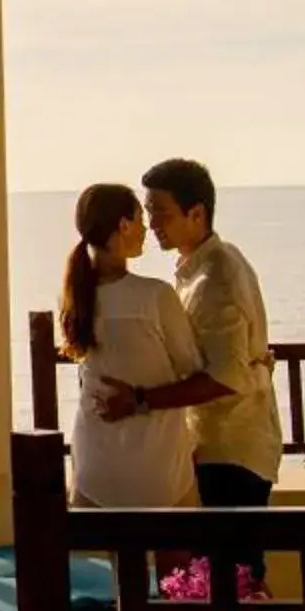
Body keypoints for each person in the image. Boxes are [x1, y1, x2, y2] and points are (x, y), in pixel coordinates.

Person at [143, 157, 283, 515]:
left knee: (233, 567)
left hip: (231, 448)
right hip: (217, 445)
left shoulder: (216, 277)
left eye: (162, 213)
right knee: (223, 567)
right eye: (148, 211)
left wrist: (142, 399)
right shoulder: (204, 265)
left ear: (197, 214)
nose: (152, 223)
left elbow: (226, 376)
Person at [55, 183, 202, 508]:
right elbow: (192, 369)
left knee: (103, 560)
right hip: (156, 463)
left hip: (96, 463)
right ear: (123, 225)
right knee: (177, 559)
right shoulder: (155, 296)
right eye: (139, 219)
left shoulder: (77, 298)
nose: (146, 228)